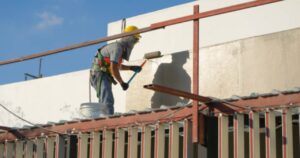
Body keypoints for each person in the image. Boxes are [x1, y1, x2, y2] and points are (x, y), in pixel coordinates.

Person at [90, 25, 142, 115]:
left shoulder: (120, 48)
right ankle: (107, 121)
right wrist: (122, 82)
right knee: (107, 99)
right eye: (135, 39)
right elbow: (113, 68)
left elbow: (116, 66)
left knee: (105, 98)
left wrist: (131, 68)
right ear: (129, 37)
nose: (135, 42)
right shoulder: (117, 48)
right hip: (100, 74)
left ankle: (105, 118)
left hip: (102, 74)